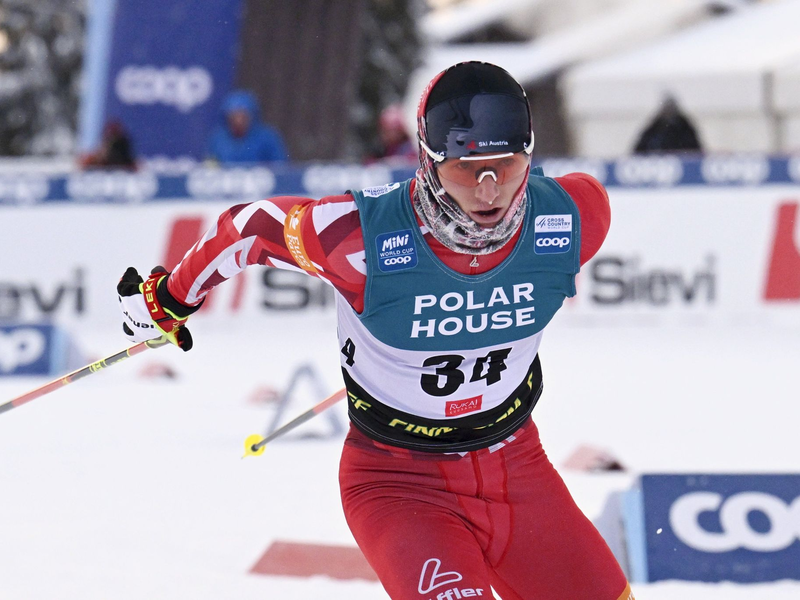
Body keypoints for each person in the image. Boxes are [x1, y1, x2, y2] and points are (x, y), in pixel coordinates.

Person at [117, 62, 634, 600]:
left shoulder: (577, 215)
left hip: (518, 470)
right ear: (428, 163)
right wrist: (171, 296)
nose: (488, 191)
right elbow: (248, 228)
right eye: (465, 170)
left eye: (504, 167)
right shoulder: (357, 238)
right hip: (401, 484)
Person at [206, 89, 288, 165]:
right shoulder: (217, 139)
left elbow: (280, 168)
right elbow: (209, 166)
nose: (238, 121)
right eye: (234, 117)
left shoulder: (268, 137)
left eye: (242, 116)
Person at [633, 94, 702, 155]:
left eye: (671, 108)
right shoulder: (654, 129)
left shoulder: (686, 129)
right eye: (667, 108)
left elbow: (696, 152)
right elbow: (638, 151)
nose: (669, 111)